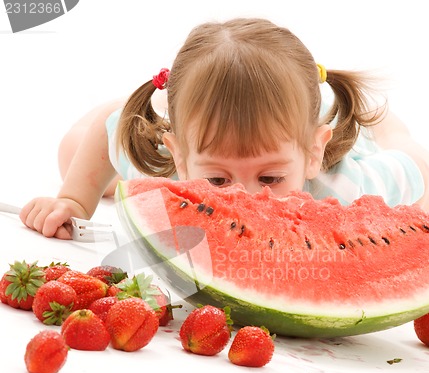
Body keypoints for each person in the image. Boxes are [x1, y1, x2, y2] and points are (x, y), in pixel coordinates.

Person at [20, 17, 429, 240]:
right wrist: (74, 199)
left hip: (350, 137)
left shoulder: (344, 186)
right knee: (70, 151)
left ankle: (369, 126)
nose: (244, 196)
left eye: (270, 177)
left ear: (311, 155)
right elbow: (111, 126)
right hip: (190, 132)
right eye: (216, 178)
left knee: (395, 141)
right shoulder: (164, 169)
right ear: (178, 156)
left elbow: (415, 170)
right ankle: (164, 112)